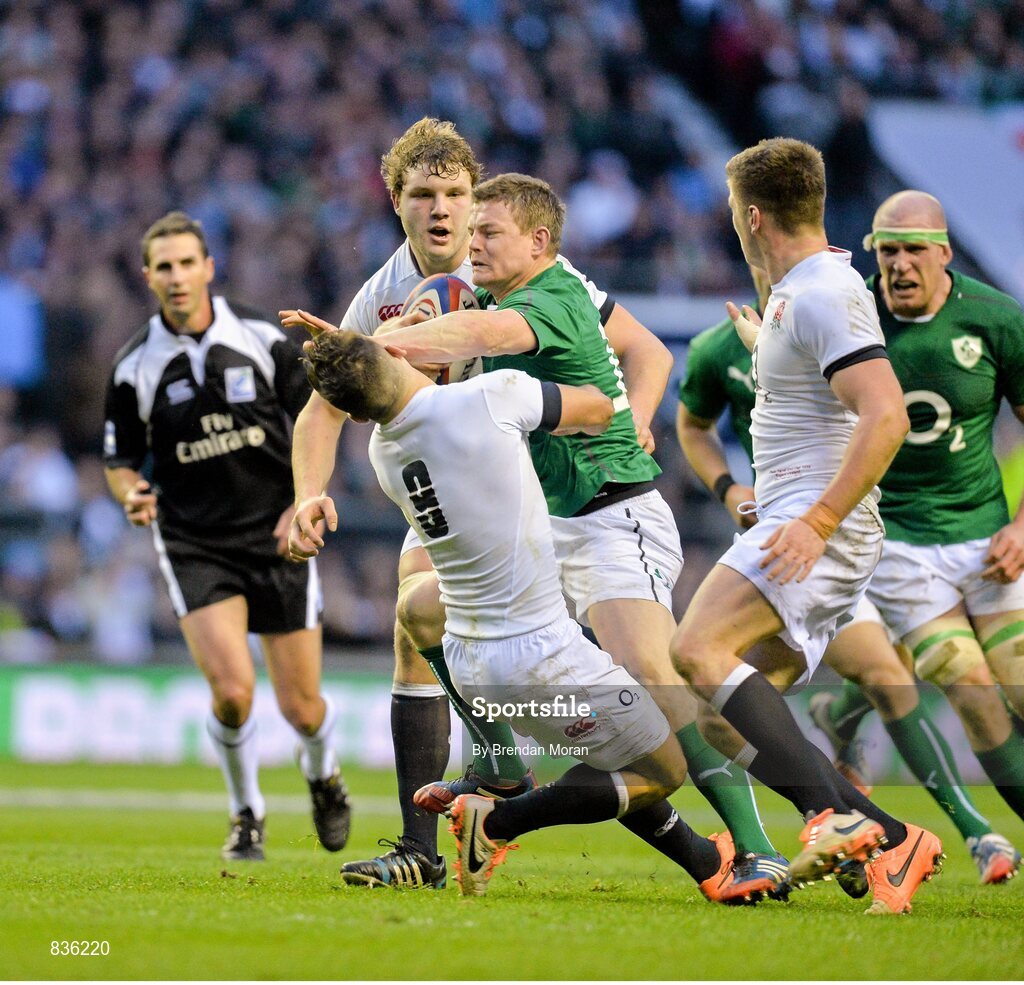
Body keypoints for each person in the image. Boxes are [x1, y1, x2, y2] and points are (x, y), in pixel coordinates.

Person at [285, 122, 781, 894]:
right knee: (416, 617)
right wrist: (308, 495)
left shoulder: (535, 273)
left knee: (645, 671)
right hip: (481, 498)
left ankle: (739, 847)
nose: (445, 211)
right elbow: (321, 409)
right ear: (397, 202)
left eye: (457, 194)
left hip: (570, 493)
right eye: (426, 195)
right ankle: (465, 805)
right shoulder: (382, 296)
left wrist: (638, 414)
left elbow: (646, 353)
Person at [299, 326, 752, 902]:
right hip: (542, 660)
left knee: (422, 606)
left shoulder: (382, 452)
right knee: (662, 768)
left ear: (356, 416)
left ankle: (502, 766)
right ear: (398, 349)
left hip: (470, 665)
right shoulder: (492, 394)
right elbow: (596, 405)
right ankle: (496, 825)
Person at [667, 138, 943, 916]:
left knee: (694, 647)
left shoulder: (821, 292)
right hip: (801, 522)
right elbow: (818, 390)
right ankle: (892, 840)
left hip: (813, 526)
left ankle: (835, 816)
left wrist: (819, 520)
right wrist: (769, 346)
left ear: (751, 216)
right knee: (725, 719)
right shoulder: (800, 293)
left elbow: (886, 415)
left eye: (731, 211)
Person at [676, 265, 1022, 884]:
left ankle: (967, 832)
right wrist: (729, 489)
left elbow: (881, 416)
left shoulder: (842, 325)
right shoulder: (717, 349)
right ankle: (864, 831)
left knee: (888, 673)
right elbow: (692, 426)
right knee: (719, 719)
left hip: (832, 540)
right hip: (779, 541)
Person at [102, 211, 350, 861]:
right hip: (194, 542)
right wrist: (130, 492)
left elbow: (319, 417)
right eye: (164, 266)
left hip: (278, 535)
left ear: (209, 267)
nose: (177, 276)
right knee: (234, 692)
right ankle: (246, 812)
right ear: (148, 276)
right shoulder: (133, 368)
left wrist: (303, 500)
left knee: (303, 708)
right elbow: (120, 459)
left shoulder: (264, 337)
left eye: (188, 262)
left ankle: (323, 773)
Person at [853, 190, 1024, 836]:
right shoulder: (850, 316)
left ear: (944, 253)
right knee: (973, 690)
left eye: (913, 250)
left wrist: (1021, 527)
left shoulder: (997, 318)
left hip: (986, 537)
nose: (898, 264)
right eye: (886, 250)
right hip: (896, 543)